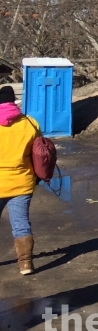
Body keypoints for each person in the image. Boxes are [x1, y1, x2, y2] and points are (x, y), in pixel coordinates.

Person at [0, 85, 40, 275]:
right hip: (22, 182)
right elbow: (38, 153)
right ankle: (25, 264)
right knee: (21, 223)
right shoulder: (30, 123)